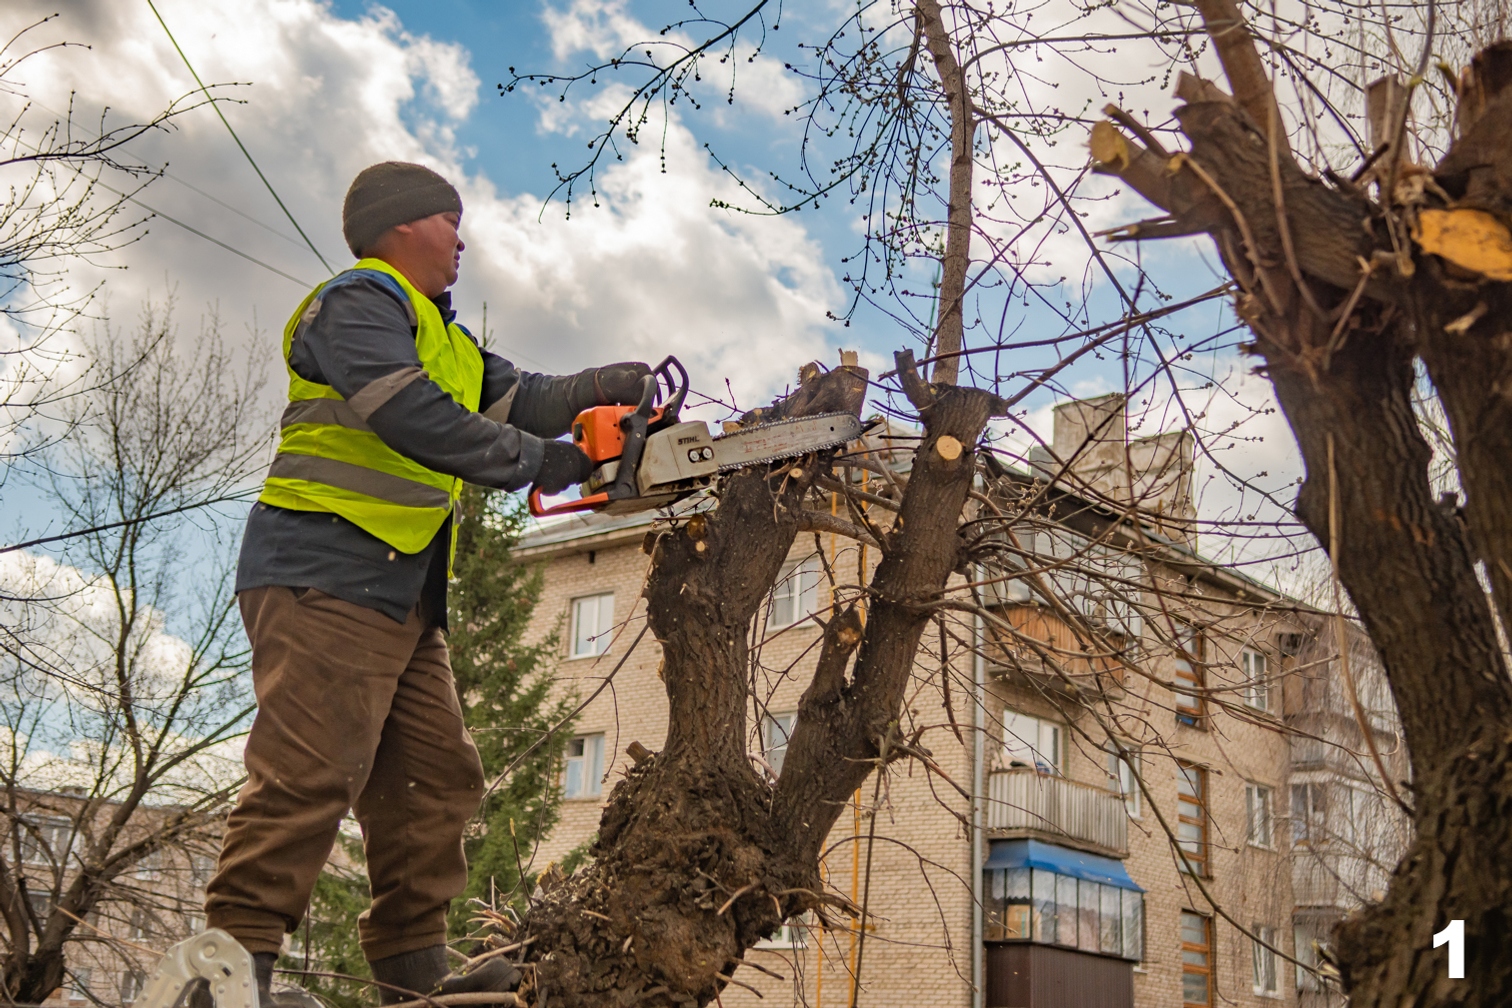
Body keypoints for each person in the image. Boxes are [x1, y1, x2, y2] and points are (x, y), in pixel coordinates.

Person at [203, 161, 649, 1006]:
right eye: (453, 222)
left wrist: (600, 391)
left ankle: (415, 976)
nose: (463, 241)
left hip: (402, 591)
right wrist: (540, 464)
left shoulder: (445, 337)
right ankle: (224, 982)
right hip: (326, 568)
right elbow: (406, 411)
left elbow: (529, 396)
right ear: (403, 224)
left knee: (432, 777)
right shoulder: (360, 303)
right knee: (308, 773)